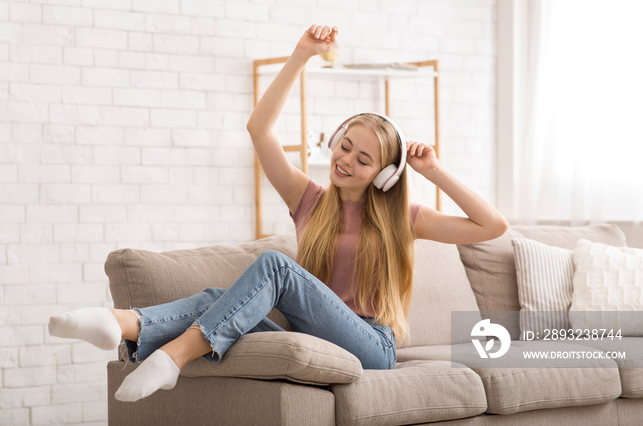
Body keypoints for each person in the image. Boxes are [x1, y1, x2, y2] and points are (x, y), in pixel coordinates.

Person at [48, 24, 508, 403]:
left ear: (383, 177)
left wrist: (433, 170)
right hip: (315, 341)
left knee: (275, 266)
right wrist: (300, 56)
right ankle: (118, 322)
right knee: (215, 297)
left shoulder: (403, 218)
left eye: (363, 160)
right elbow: (259, 129)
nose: (346, 160)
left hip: (372, 346)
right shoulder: (308, 198)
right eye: (345, 146)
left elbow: (492, 226)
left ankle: (174, 355)